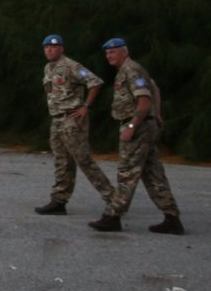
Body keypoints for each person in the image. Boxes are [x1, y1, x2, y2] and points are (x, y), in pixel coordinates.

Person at [88, 38, 184, 234]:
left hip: (137, 128)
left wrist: (132, 125)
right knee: (153, 174)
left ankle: (112, 217)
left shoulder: (130, 70)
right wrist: (156, 114)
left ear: (124, 52)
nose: (109, 56)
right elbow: (154, 88)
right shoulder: (132, 70)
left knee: (127, 172)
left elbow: (143, 99)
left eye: (113, 52)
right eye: (107, 53)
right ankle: (172, 217)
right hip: (145, 125)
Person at [34, 34, 113, 215]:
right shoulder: (48, 68)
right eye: (46, 47)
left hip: (72, 118)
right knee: (62, 162)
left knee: (84, 160)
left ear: (61, 49)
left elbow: (95, 82)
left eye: (54, 47)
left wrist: (86, 106)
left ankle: (114, 199)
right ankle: (59, 200)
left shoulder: (71, 66)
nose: (50, 50)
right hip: (57, 118)